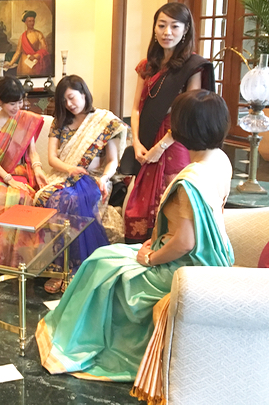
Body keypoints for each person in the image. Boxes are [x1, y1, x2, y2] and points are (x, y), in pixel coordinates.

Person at [36, 89, 234, 382]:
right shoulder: (221, 160)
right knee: (105, 255)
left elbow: (185, 242)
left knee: (102, 266)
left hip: (186, 268)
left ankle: (81, 342)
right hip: (214, 255)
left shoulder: (190, 180)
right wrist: (159, 239)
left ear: (183, 128)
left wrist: (151, 257)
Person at [124, 2, 214, 243]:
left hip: (175, 140)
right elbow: (136, 108)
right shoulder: (146, 66)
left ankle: (168, 253)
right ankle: (141, 253)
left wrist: (161, 146)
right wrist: (136, 142)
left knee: (172, 202)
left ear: (185, 30)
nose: (167, 32)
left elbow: (188, 112)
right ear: (154, 28)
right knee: (139, 206)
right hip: (146, 138)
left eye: (175, 26)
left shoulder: (192, 67)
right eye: (162, 25)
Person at [35, 75, 127, 292]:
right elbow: (52, 159)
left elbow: (112, 161)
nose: (69, 104)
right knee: (54, 198)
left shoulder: (104, 122)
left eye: (72, 98)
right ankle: (57, 268)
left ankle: (74, 268)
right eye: (64, 101)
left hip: (93, 178)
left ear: (84, 93)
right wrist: (70, 169)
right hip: (63, 176)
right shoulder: (59, 122)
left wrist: (104, 178)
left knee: (71, 200)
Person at [0, 77, 48, 209]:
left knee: (22, 196)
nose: (17, 107)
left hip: (21, 171)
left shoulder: (26, 119)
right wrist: (9, 179)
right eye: (12, 103)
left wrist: (38, 169)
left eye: (20, 102)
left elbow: (32, 152)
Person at [3, 10, 52, 76]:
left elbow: (44, 48)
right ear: (25, 22)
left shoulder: (38, 34)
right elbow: (18, 52)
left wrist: (35, 56)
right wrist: (10, 63)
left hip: (35, 64)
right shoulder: (22, 36)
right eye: (29, 21)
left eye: (33, 21)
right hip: (23, 66)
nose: (32, 23)